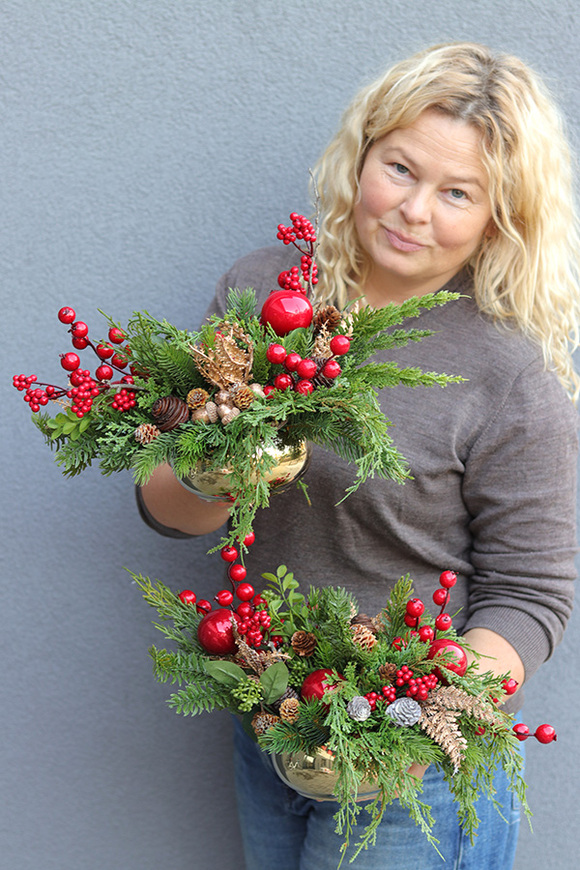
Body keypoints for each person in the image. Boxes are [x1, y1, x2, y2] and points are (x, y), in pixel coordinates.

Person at [137, 42, 579, 870]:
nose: (415, 210)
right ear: (362, 153)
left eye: (457, 193)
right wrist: (215, 469)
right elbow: (165, 509)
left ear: (499, 216)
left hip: (419, 762)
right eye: (401, 169)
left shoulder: (507, 371)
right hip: (268, 710)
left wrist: (401, 723)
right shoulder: (264, 291)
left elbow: (532, 598)